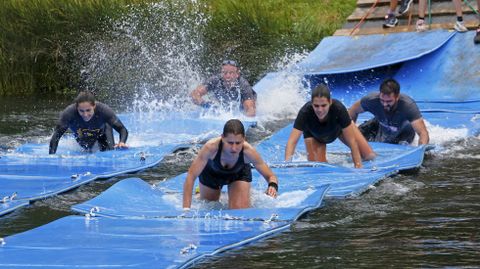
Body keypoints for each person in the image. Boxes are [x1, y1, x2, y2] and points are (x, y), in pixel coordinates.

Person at [183, 119, 278, 209]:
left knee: (239, 210)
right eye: (230, 143)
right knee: (210, 205)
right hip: (211, 173)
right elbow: (191, 176)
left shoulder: (248, 152)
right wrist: (186, 210)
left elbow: (270, 176)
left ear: (244, 139)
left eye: (238, 143)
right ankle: (200, 192)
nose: (234, 148)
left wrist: (272, 186)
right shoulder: (210, 148)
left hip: (238, 174)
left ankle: (240, 193)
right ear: (222, 137)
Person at [285, 84, 376, 169]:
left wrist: (358, 166)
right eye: (316, 106)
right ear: (311, 104)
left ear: (330, 102)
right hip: (315, 136)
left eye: (324, 105)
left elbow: (352, 142)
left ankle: (348, 156)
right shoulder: (305, 112)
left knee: (369, 156)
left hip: (339, 129)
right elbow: (291, 142)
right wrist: (287, 166)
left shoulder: (339, 108)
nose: (320, 110)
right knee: (318, 169)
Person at [348, 78, 429, 146]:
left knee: (397, 145)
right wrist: (350, 132)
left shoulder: (408, 106)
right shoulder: (371, 100)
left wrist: (421, 150)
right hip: (380, 124)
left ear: (397, 97)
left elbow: (423, 133)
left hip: (403, 132)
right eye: (382, 100)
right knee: (356, 137)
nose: (385, 104)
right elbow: (353, 111)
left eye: (389, 101)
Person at [49, 91, 129, 154]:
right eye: (81, 111)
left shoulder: (104, 111)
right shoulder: (69, 113)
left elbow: (122, 129)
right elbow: (56, 137)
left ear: (94, 106)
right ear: (77, 108)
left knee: (109, 152)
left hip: (103, 133)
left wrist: (122, 142)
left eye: (88, 110)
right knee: (87, 149)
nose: (85, 114)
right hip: (82, 136)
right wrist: (51, 158)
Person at [190, 60, 257, 117]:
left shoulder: (243, 85)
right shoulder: (215, 80)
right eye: (225, 73)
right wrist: (205, 105)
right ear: (221, 73)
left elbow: (250, 110)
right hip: (225, 104)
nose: (228, 76)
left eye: (231, 73)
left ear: (237, 74)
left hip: (242, 105)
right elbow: (194, 94)